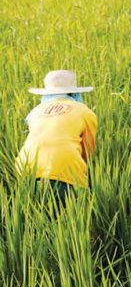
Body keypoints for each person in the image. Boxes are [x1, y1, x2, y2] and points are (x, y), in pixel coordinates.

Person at [16, 70, 97, 203]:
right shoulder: (85, 112)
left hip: (25, 167)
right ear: (74, 93)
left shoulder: (35, 111)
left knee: (35, 212)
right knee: (73, 213)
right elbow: (88, 151)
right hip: (65, 167)